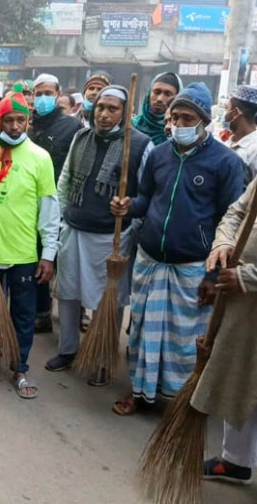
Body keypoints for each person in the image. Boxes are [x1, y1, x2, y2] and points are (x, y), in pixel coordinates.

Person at [110, 82, 245, 415]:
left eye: (187, 118)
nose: (179, 125)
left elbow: (230, 223)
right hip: (150, 262)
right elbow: (146, 199)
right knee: (141, 331)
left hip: (193, 268)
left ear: (204, 121)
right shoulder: (159, 154)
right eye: (175, 118)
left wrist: (212, 276)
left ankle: (182, 404)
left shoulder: (226, 162)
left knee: (185, 342)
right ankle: (139, 392)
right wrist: (128, 206)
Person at [46, 85, 153, 380]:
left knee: (108, 300)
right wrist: (61, 220)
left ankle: (102, 357)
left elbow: (146, 193)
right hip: (74, 229)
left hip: (112, 236)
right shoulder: (81, 136)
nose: (104, 114)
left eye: (112, 109)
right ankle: (68, 349)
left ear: (125, 112)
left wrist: (131, 216)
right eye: (100, 108)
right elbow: (65, 180)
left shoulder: (140, 144)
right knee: (68, 293)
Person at [0, 91, 59, 400]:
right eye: (9, 120)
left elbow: (49, 209)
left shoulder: (40, 157)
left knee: (23, 312)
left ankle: (20, 366)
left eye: (21, 120)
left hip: (23, 252)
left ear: (27, 122)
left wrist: (48, 254)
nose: (15, 126)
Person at [195, 180, 257, 485]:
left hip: (246, 285)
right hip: (244, 305)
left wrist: (248, 277)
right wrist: (222, 243)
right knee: (240, 375)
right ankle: (235, 460)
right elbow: (237, 211)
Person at [28, 73, 83, 333]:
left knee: (63, 261)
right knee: (38, 256)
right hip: (32, 202)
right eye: (38, 94)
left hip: (62, 202)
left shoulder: (72, 127)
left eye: (48, 94)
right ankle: (41, 313)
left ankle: (72, 316)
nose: (43, 99)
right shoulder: (29, 126)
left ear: (58, 94)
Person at [132, 72, 181, 146]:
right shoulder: (131, 126)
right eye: (156, 92)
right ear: (149, 94)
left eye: (168, 94)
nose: (159, 99)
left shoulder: (179, 132)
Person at [222, 85, 257, 184]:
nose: (225, 114)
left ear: (236, 112)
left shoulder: (254, 151)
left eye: (227, 108)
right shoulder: (230, 142)